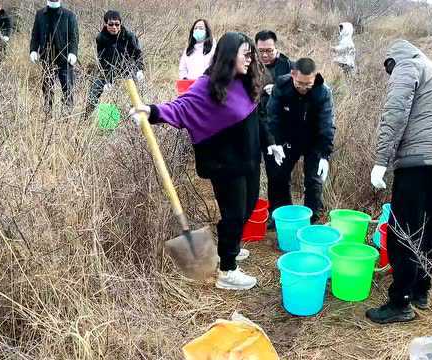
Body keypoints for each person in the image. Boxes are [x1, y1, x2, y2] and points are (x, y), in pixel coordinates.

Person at [129, 32, 281, 291]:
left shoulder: (246, 81)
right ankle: (228, 271)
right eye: (245, 54)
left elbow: (257, 117)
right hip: (224, 163)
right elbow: (181, 107)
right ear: (229, 55)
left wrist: (270, 143)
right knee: (234, 214)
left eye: (250, 54)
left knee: (247, 208)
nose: (250, 59)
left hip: (249, 160)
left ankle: (226, 249)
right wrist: (151, 111)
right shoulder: (208, 85)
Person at [366, 40, 432, 324]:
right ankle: (421, 291)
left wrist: (381, 161)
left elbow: (395, 113)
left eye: (389, 70)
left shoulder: (407, 65)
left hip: (418, 166)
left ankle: (400, 303)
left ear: (393, 61)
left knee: (402, 233)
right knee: (429, 230)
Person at [266, 58, 335, 224]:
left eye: (308, 84)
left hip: (314, 142)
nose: (303, 88)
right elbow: (272, 116)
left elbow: (327, 125)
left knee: (313, 180)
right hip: (288, 140)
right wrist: (274, 142)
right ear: (292, 75)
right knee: (279, 176)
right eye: (300, 83)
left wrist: (324, 155)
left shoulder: (323, 92)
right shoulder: (281, 86)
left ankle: (311, 220)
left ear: (315, 77)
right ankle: (283, 216)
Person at [254, 30, 292, 228]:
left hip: (278, 129)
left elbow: (301, 91)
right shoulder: (251, 65)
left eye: (269, 50)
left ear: (276, 47)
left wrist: (280, 89)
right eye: (261, 51)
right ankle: (260, 214)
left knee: (278, 173)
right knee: (253, 172)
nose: (265, 55)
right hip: (255, 126)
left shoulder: (288, 66)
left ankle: (282, 214)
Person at [84, 10, 144, 119]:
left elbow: (138, 54)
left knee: (136, 94)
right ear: (105, 24)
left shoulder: (129, 36)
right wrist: (108, 80)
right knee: (95, 92)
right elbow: (103, 61)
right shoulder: (101, 38)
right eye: (111, 24)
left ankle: (136, 119)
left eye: (117, 24)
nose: (114, 27)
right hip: (108, 70)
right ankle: (86, 119)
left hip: (127, 70)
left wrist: (139, 69)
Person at [29, 0, 79, 113]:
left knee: (67, 87)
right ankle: (48, 113)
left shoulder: (69, 15)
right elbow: (35, 34)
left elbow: (74, 36)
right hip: (46, 58)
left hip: (65, 58)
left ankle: (67, 114)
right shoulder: (40, 14)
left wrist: (73, 52)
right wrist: (33, 50)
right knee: (47, 88)